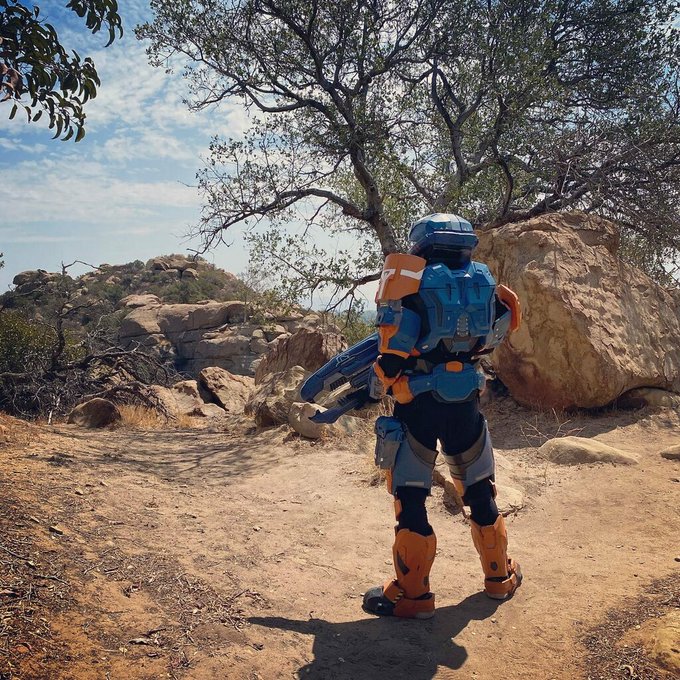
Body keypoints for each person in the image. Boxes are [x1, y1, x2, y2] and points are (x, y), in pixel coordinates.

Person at [362, 213, 523, 620]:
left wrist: (379, 378)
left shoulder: (410, 286)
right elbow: (493, 337)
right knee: (479, 489)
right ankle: (499, 577)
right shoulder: (487, 284)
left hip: (419, 405)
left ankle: (412, 595)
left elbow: (391, 358)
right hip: (466, 403)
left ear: (422, 246)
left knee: (410, 496)